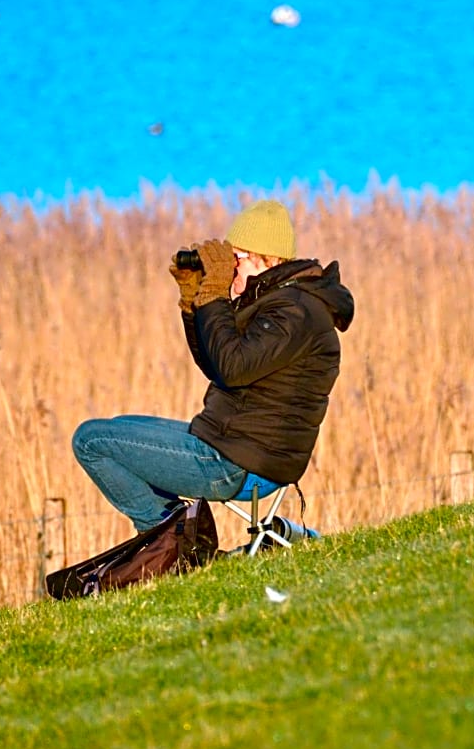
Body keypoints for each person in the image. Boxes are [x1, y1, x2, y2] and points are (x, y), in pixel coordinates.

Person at [72, 199, 354, 534]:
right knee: (120, 426)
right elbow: (216, 365)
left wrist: (214, 293)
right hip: (233, 444)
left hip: (240, 463)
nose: (230, 269)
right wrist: (195, 302)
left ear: (268, 260)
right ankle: (178, 529)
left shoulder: (293, 312)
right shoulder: (277, 301)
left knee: (90, 440)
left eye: (236, 259)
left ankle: (170, 541)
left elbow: (231, 368)